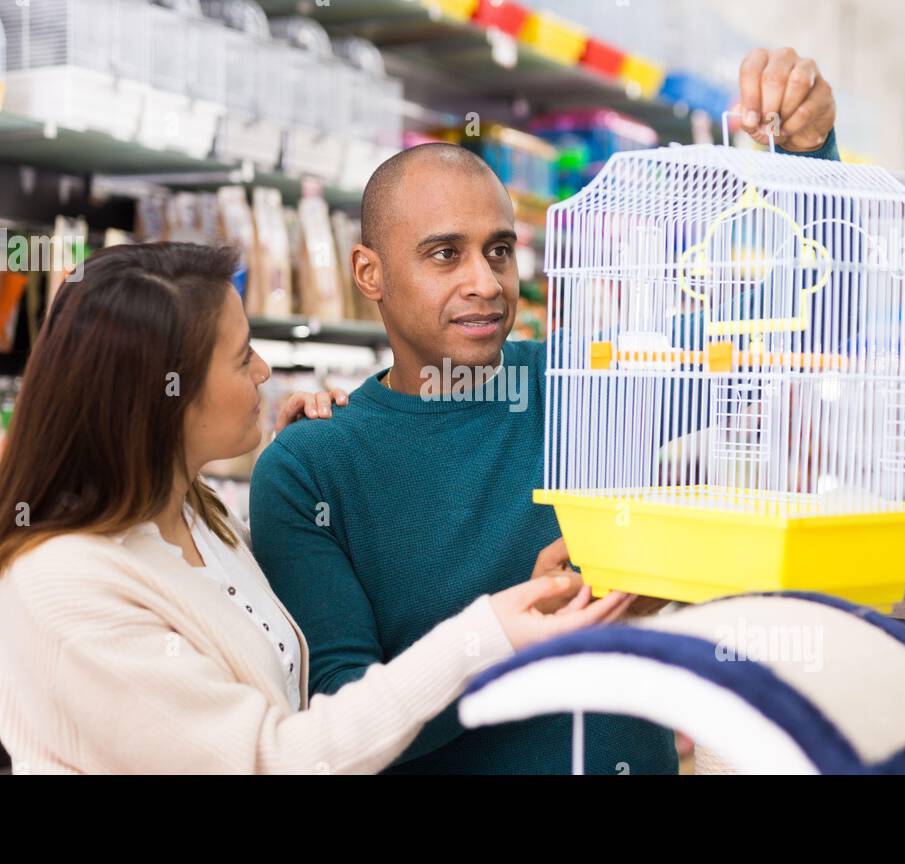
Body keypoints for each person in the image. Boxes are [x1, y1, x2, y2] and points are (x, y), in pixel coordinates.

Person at [251, 47, 842, 773]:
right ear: (368, 273)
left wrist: (813, 156)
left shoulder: (581, 382)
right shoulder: (309, 468)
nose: (486, 283)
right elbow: (345, 729)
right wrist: (518, 636)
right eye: (445, 255)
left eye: (499, 251)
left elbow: (796, 316)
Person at [0, 242, 635, 774]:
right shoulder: (65, 588)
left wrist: (307, 454)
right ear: (164, 397)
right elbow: (273, 760)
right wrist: (487, 633)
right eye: (240, 357)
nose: (262, 372)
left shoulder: (196, 518)